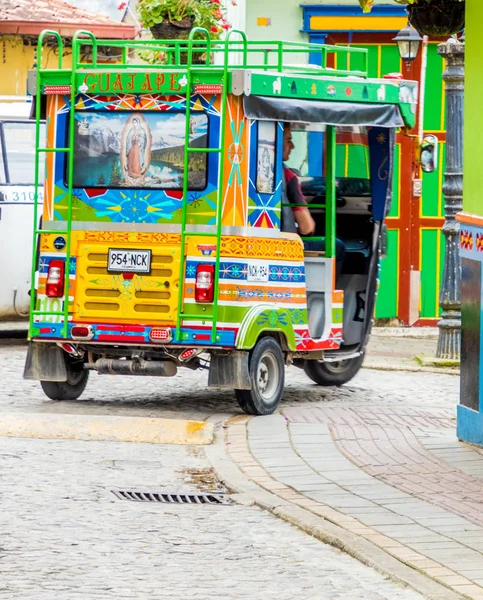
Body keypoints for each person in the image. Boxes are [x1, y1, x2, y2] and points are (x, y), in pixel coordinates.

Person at [282, 122, 345, 277]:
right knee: (337, 246)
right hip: (288, 243)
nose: (293, 146)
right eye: (288, 140)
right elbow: (306, 227)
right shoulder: (288, 176)